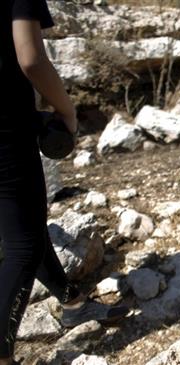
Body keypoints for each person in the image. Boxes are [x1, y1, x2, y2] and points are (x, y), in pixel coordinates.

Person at [0, 1, 128, 364]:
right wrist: (67, 111)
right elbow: (31, 59)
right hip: (7, 132)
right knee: (22, 247)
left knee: (24, 227)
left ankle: (73, 302)